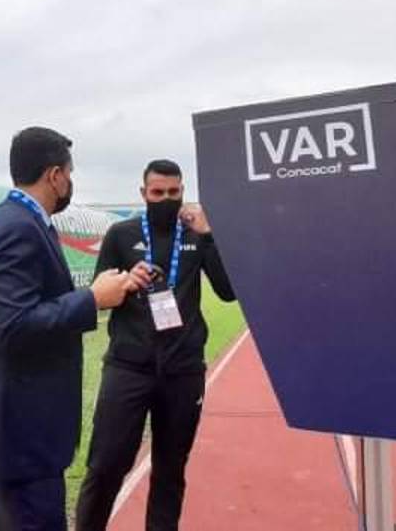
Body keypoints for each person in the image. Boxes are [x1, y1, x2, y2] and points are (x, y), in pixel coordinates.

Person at [0, 127, 149, 531]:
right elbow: (13, 324)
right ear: (55, 175)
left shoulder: (21, 220)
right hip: (24, 430)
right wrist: (92, 298)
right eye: (69, 173)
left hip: (21, 425)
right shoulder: (18, 227)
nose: (70, 182)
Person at [75, 159, 236, 531]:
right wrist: (128, 280)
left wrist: (210, 233)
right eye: (157, 193)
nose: (165, 199)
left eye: (174, 193)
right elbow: (100, 296)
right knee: (106, 465)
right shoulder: (120, 234)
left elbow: (227, 291)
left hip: (183, 371)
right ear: (143, 193)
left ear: (183, 192)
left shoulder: (196, 234)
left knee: (170, 470)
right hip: (128, 367)